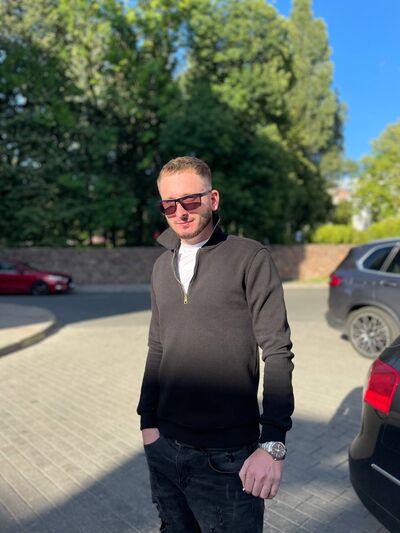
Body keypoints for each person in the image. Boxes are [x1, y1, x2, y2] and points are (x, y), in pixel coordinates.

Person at [137, 156, 294, 532]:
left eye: (190, 200)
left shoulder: (250, 258)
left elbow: (277, 350)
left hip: (228, 458)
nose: (180, 212)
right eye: (169, 205)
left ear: (213, 198)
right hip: (165, 447)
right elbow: (157, 345)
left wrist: (272, 443)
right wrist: (147, 423)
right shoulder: (161, 267)